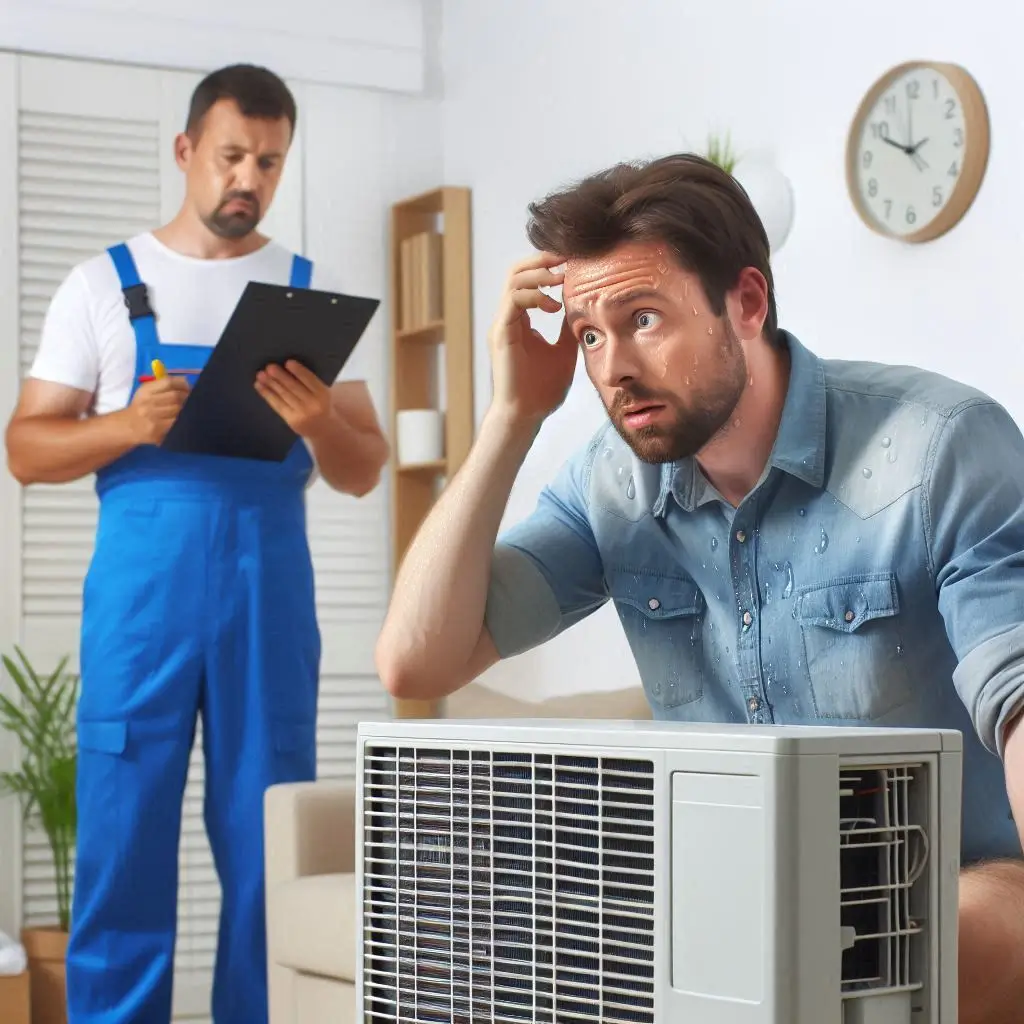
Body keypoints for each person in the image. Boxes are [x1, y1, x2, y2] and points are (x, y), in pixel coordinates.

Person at [375, 153, 1024, 1023]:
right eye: (591, 335)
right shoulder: (611, 488)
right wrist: (511, 417)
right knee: (482, 947)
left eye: (643, 318)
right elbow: (417, 662)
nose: (612, 368)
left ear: (746, 303)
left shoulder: (938, 448)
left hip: (960, 880)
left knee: (918, 940)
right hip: (732, 893)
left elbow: (1018, 700)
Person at [5, 64, 389, 1024]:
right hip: (140, 602)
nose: (246, 179)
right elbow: (24, 447)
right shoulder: (102, 286)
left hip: (268, 594)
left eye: (268, 161)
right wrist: (124, 427)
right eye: (230, 156)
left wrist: (317, 423)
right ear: (185, 152)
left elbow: (363, 466)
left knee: (266, 840)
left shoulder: (312, 294)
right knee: (121, 840)